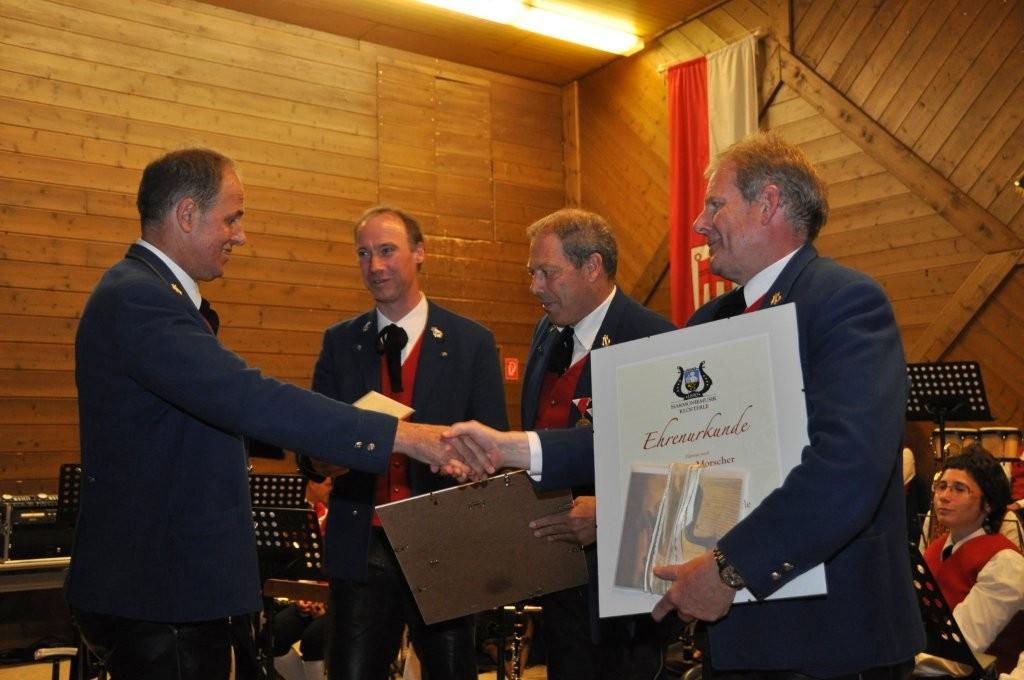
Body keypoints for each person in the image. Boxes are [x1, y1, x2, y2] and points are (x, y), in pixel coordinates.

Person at [445, 132, 927, 678]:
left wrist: (727, 568)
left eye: (715, 204)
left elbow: (847, 469)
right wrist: (516, 449)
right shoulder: (711, 320)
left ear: (769, 203)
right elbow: (639, 441)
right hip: (734, 637)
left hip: (834, 640)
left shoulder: (844, 302)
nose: (699, 224)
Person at [68, 149, 470, 680]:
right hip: (161, 590)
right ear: (187, 214)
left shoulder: (146, 292)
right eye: (231, 218)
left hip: (170, 585)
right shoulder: (140, 299)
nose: (240, 235)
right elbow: (249, 397)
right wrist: (405, 436)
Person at [296, 205, 508, 680]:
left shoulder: (471, 342)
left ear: (420, 252)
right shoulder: (339, 342)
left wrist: (470, 465)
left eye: (387, 250)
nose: (375, 265)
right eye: (363, 254)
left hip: (443, 544)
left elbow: (494, 448)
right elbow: (310, 451)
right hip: (362, 543)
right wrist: (324, 459)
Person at [516, 208, 674, 679]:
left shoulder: (653, 338)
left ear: (592, 266)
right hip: (559, 578)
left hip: (624, 595)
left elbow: (678, 468)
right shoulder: (545, 333)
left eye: (548, 272)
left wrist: (608, 514)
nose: (535, 287)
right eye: (532, 273)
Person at [917, 447, 1024, 676]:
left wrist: (893, 658)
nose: (944, 496)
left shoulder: (1005, 563)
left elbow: (960, 652)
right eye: (942, 486)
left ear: (988, 503)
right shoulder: (936, 548)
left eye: (959, 489)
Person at [268, 477, 332, 680]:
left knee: (312, 640)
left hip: (339, 600)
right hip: (316, 596)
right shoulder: (319, 519)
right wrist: (305, 595)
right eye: (328, 484)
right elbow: (309, 566)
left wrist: (326, 601)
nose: (331, 490)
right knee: (272, 635)